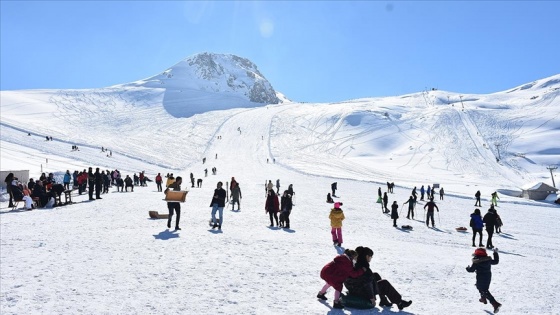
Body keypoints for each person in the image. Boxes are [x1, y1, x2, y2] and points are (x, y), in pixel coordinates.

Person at [344, 246, 412, 310]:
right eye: (371, 256)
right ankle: (400, 303)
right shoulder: (364, 267)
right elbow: (367, 283)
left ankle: (383, 300)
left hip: (356, 288)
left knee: (375, 275)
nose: (371, 258)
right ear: (367, 256)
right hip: (362, 291)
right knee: (385, 283)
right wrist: (372, 298)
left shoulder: (356, 264)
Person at [466, 247, 501, 313]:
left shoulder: (476, 261)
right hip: (488, 276)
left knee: (483, 289)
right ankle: (483, 298)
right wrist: (495, 253)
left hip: (480, 277)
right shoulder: (488, 260)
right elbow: (496, 261)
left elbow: (471, 270)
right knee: (481, 287)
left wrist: (467, 268)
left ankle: (495, 304)